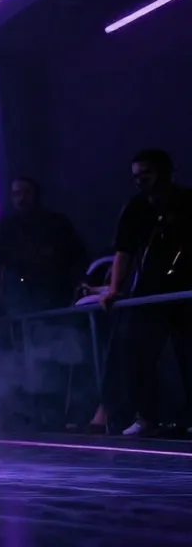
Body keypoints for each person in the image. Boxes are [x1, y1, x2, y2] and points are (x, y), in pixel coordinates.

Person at [99, 149, 192, 436]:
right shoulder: (136, 207)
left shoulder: (186, 202)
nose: (140, 181)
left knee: (188, 355)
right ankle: (146, 415)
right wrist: (114, 289)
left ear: (165, 173)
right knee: (137, 354)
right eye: (136, 176)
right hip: (148, 292)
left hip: (185, 291)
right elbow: (123, 251)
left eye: (146, 174)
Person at [0, 177, 88, 314]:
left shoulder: (56, 223)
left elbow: (77, 255)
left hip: (56, 293)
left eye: (27, 192)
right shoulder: (4, 227)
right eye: (17, 193)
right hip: (19, 298)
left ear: (36, 194)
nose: (22, 198)